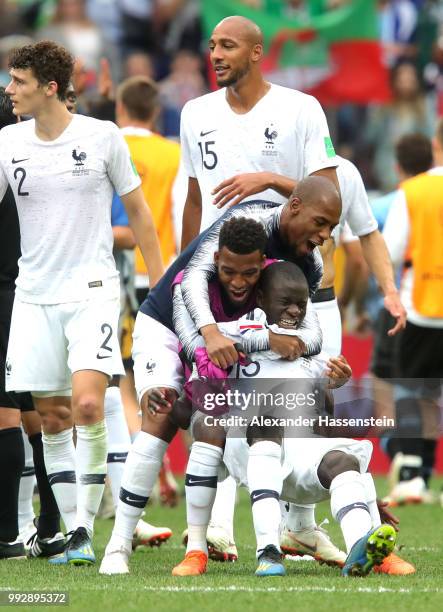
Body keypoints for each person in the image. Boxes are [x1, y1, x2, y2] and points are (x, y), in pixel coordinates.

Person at [99, 176, 342, 575]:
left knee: (236, 420)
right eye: (320, 222)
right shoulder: (247, 222)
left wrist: (312, 364)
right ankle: (118, 545)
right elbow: (189, 283)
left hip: (228, 343)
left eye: (331, 228)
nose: (324, 235)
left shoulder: (309, 264)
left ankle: (241, 536)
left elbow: (306, 333)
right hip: (168, 325)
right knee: (160, 413)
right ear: (294, 205)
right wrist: (212, 337)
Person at [0, 40, 163, 566]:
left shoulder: (102, 137)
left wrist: (158, 283)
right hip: (33, 295)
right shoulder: (7, 141)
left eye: (18, 82)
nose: (9, 91)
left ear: (50, 87)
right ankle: (70, 528)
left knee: (89, 405)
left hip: (92, 289)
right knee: (50, 418)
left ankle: (85, 529)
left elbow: (138, 212)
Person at [180, 15, 340, 249]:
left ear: (256, 52)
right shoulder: (195, 112)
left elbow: (330, 194)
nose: (216, 55)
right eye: (212, 47)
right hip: (219, 261)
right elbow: (195, 202)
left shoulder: (302, 108)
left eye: (228, 46)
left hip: (281, 259)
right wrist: (183, 272)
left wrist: (269, 180)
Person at [0, 87, 63, 561]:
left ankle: (6, 535)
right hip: (34, 292)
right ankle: (49, 523)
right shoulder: (38, 164)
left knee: (9, 415)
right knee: (35, 414)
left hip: (7, 294)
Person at [382, 119, 443, 506]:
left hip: (421, 304)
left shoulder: (414, 191)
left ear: (437, 142)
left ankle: (413, 474)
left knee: (415, 391)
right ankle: (419, 475)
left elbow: (389, 251)